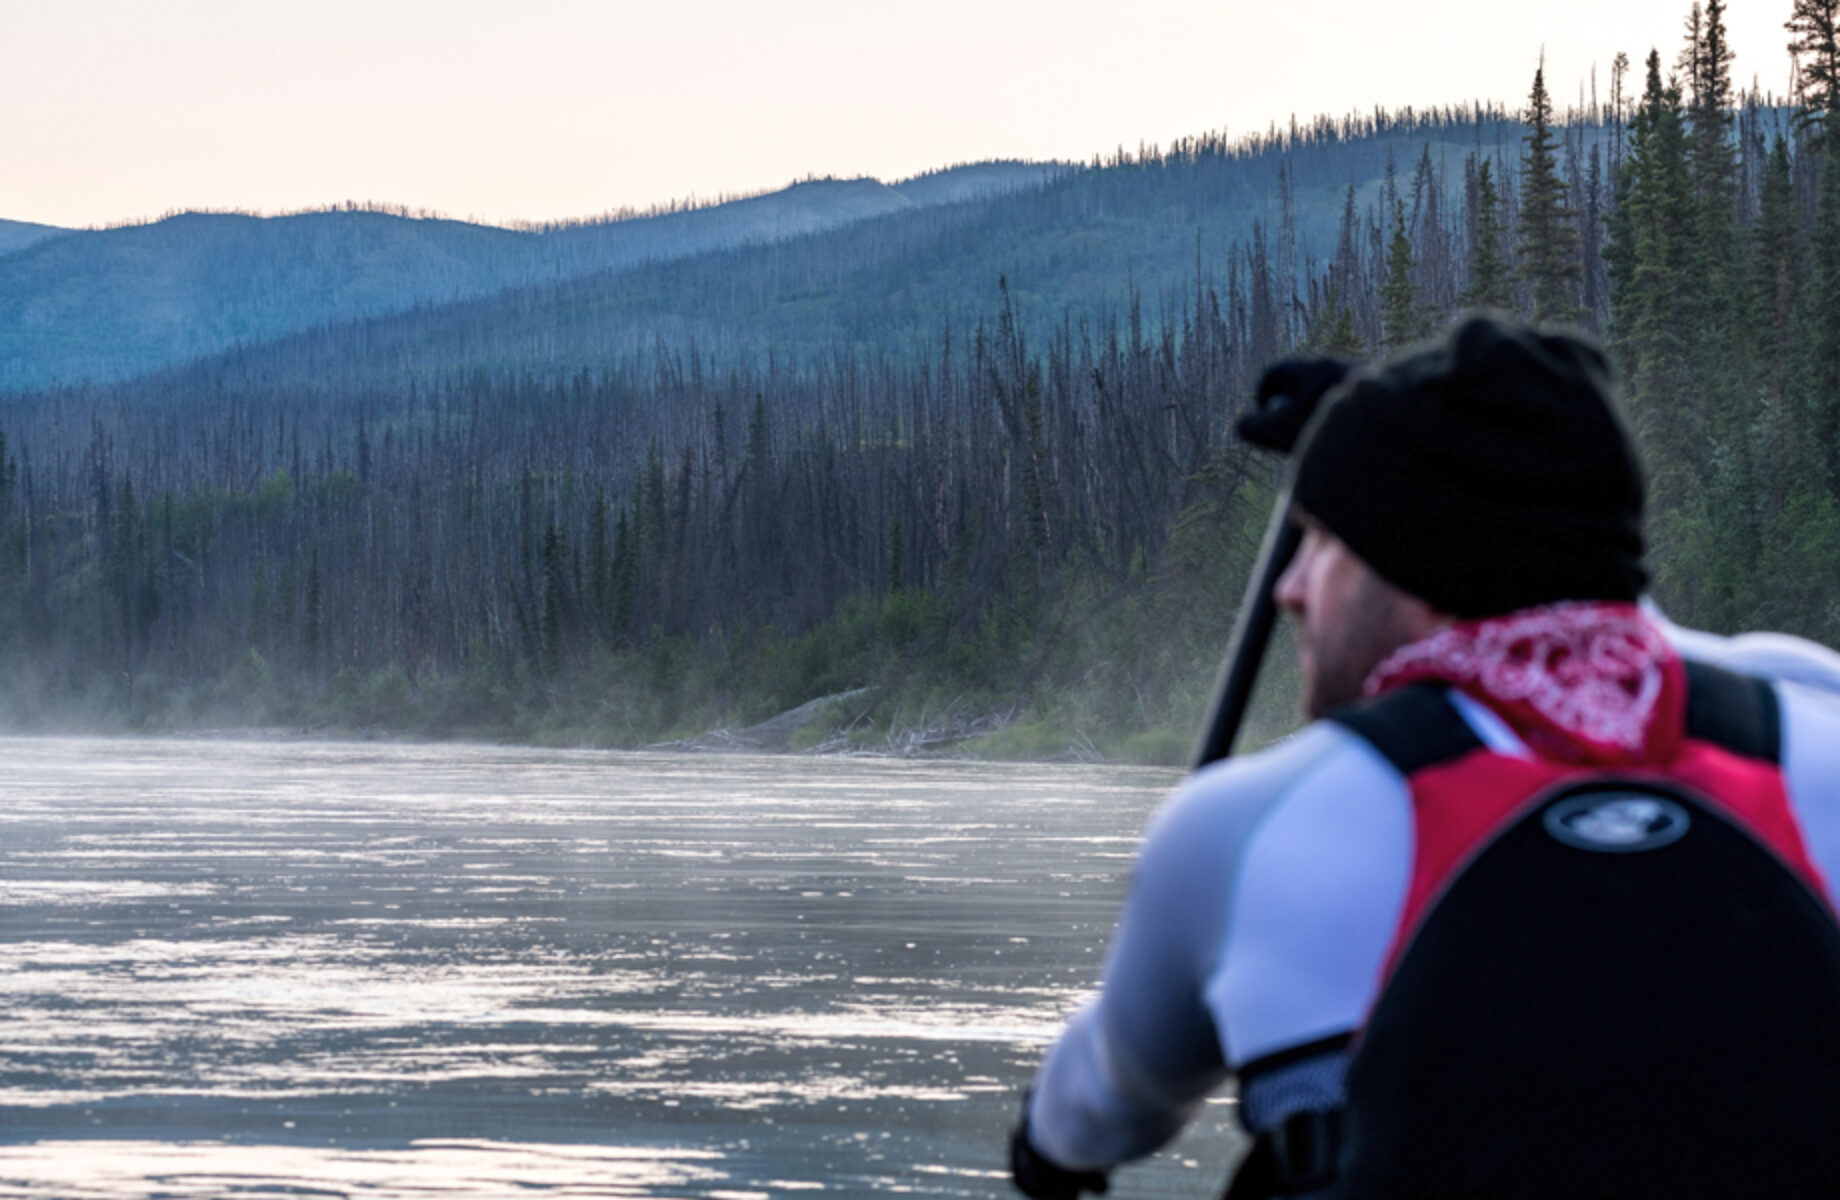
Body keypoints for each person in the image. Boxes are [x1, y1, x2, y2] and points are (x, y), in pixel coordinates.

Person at [1009, 315, 1840, 1199]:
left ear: (1409, 560)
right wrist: (1424, 439)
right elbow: (1622, 618)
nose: (1291, 587)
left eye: (1323, 541)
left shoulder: (1248, 825)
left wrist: (1040, 1149)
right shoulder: (1814, 736)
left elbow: (1102, 1110)